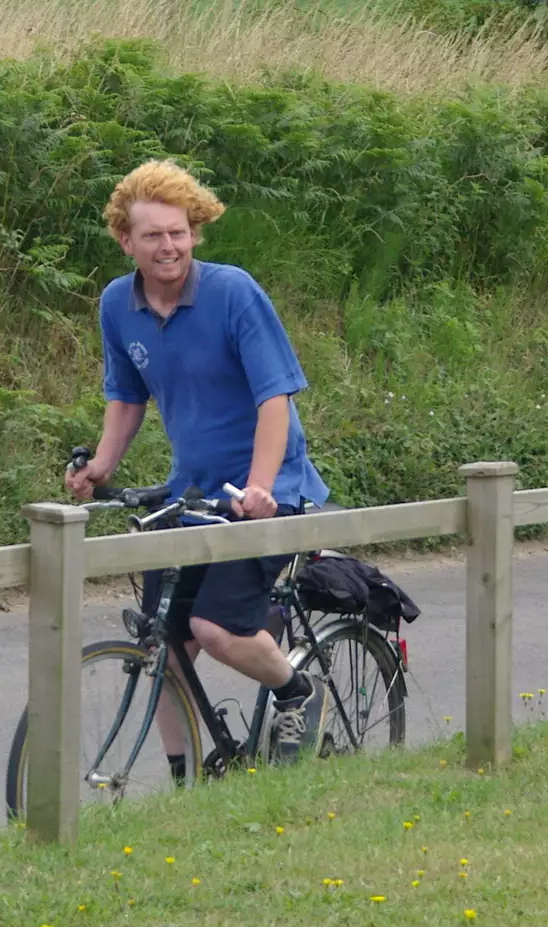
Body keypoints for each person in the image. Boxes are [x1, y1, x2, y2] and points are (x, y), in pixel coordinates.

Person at [66, 159, 331, 771]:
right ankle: (184, 781)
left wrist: (263, 488)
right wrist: (101, 465)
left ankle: (298, 690)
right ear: (126, 240)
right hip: (191, 495)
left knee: (215, 630)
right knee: (164, 644)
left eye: (179, 232)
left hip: (267, 490)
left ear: (195, 233)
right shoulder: (117, 304)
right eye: (153, 235)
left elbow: (275, 398)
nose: (169, 246)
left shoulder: (232, 292)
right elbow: (126, 394)